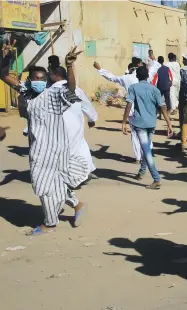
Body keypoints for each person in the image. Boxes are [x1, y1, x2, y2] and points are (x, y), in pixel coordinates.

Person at [4, 46, 89, 236]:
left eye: (43, 79)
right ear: (30, 79)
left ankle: (50, 223)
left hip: (55, 151)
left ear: (48, 80)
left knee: (42, 186)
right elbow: (4, 76)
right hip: (38, 150)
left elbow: (71, 88)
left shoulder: (55, 95)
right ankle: (77, 204)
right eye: (36, 78)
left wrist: (69, 66)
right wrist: (7, 59)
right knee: (54, 184)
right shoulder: (27, 93)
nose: (40, 82)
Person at [122, 66, 173, 189]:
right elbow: (162, 107)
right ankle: (142, 171)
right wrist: (169, 123)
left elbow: (129, 105)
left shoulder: (133, 88)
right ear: (147, 76)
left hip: (140, 123)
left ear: (137, 76)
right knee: (146, 149)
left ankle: (156, 178)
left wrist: (124, 122)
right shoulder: (154, 89)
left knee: (146, 150)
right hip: (151, 123)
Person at [93, 61, 143, 162]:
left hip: (132, 109)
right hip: (146, 109)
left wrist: (99, 69)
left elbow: (111, 77)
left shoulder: (125, 78)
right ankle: (146, 154)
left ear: (129, 70)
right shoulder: (144, 76)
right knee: (145, 133)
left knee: (134, 133)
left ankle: (139, 157)